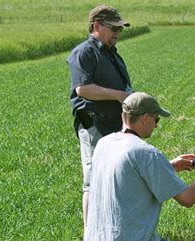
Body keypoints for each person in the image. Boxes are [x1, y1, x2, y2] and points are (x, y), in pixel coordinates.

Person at [84, 92, 195, 241]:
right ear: (145, 118)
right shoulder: (146, 152)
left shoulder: (104, 144)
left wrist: (169, 166)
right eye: (156, 119)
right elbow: (188, 199)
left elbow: (128, 176)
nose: (156, 124)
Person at [66, 5, 133, 229]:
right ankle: (91, 236)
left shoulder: (110, 53)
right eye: (113, 28)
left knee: (114, 177)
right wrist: (120, 96)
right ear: (96, 25)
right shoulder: (84, 52)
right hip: (93, 123)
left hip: (113, 123)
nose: (117, 33)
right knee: (93, 181)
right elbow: (82, 89)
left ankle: (112, 227)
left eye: (120, 29)